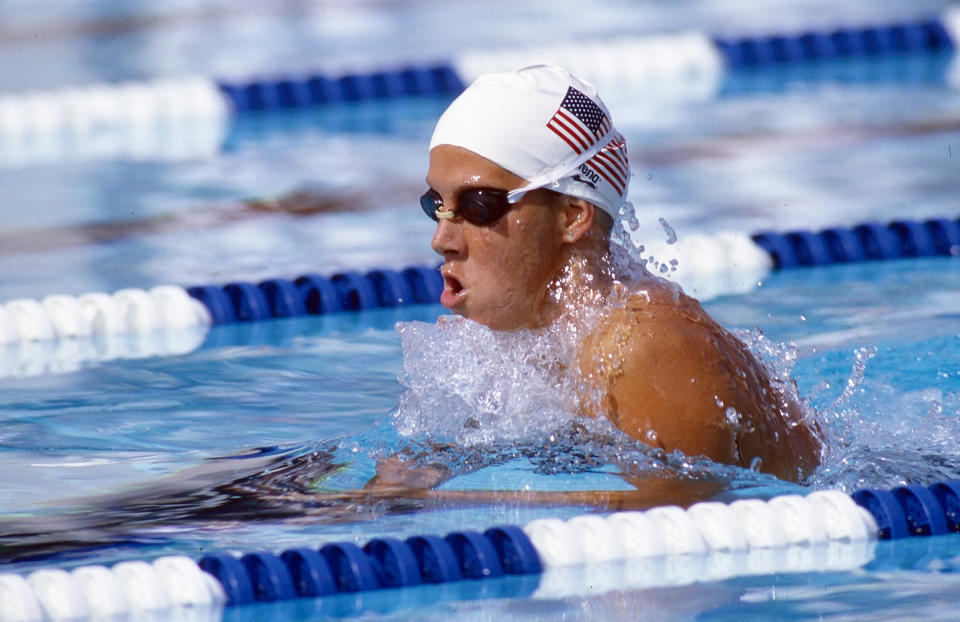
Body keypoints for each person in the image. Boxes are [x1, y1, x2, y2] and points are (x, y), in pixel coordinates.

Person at [415, 64, 822, 483]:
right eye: (436, 204)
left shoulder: (641, 345)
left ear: (572, 216)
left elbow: (676, 522)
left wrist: (432, 500)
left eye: (479, 205)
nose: (442, 238)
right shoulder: (536, 337)